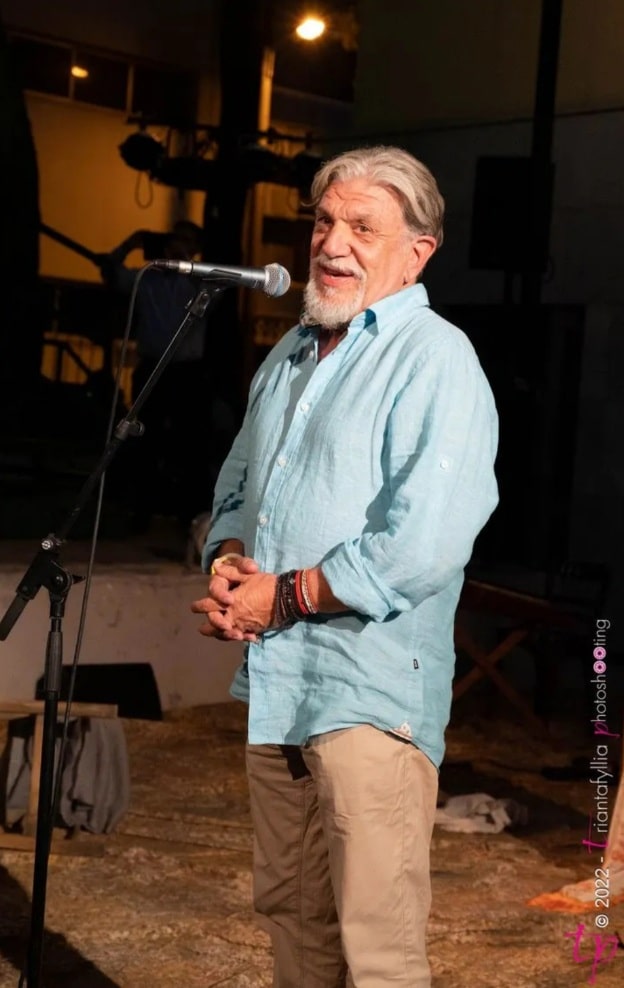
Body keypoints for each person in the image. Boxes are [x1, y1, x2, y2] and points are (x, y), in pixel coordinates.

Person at [191, 145, 499, 987]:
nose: (332, 243)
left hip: (369, 700)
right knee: (294, 928)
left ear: (417, 252)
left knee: (378, 955)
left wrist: (285, 596)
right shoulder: (290, 354)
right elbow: (237, 486)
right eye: (325, 221)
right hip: (279, 689)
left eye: (364, 227)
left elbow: (423, 542)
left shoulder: (435, 358)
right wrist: (229, 564)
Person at [98, 220, 234, 532]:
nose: (177, 244)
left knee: (190, 443)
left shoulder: (200, 284)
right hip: (152, 367)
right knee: (144, 438)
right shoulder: (149, 279)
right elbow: (111, 273)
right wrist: (130, 243)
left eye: (186, 240)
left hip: (186, 372)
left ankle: (189, 516)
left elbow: (219, 291)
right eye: (175, 239)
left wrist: (187, 262)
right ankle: (140, 512)